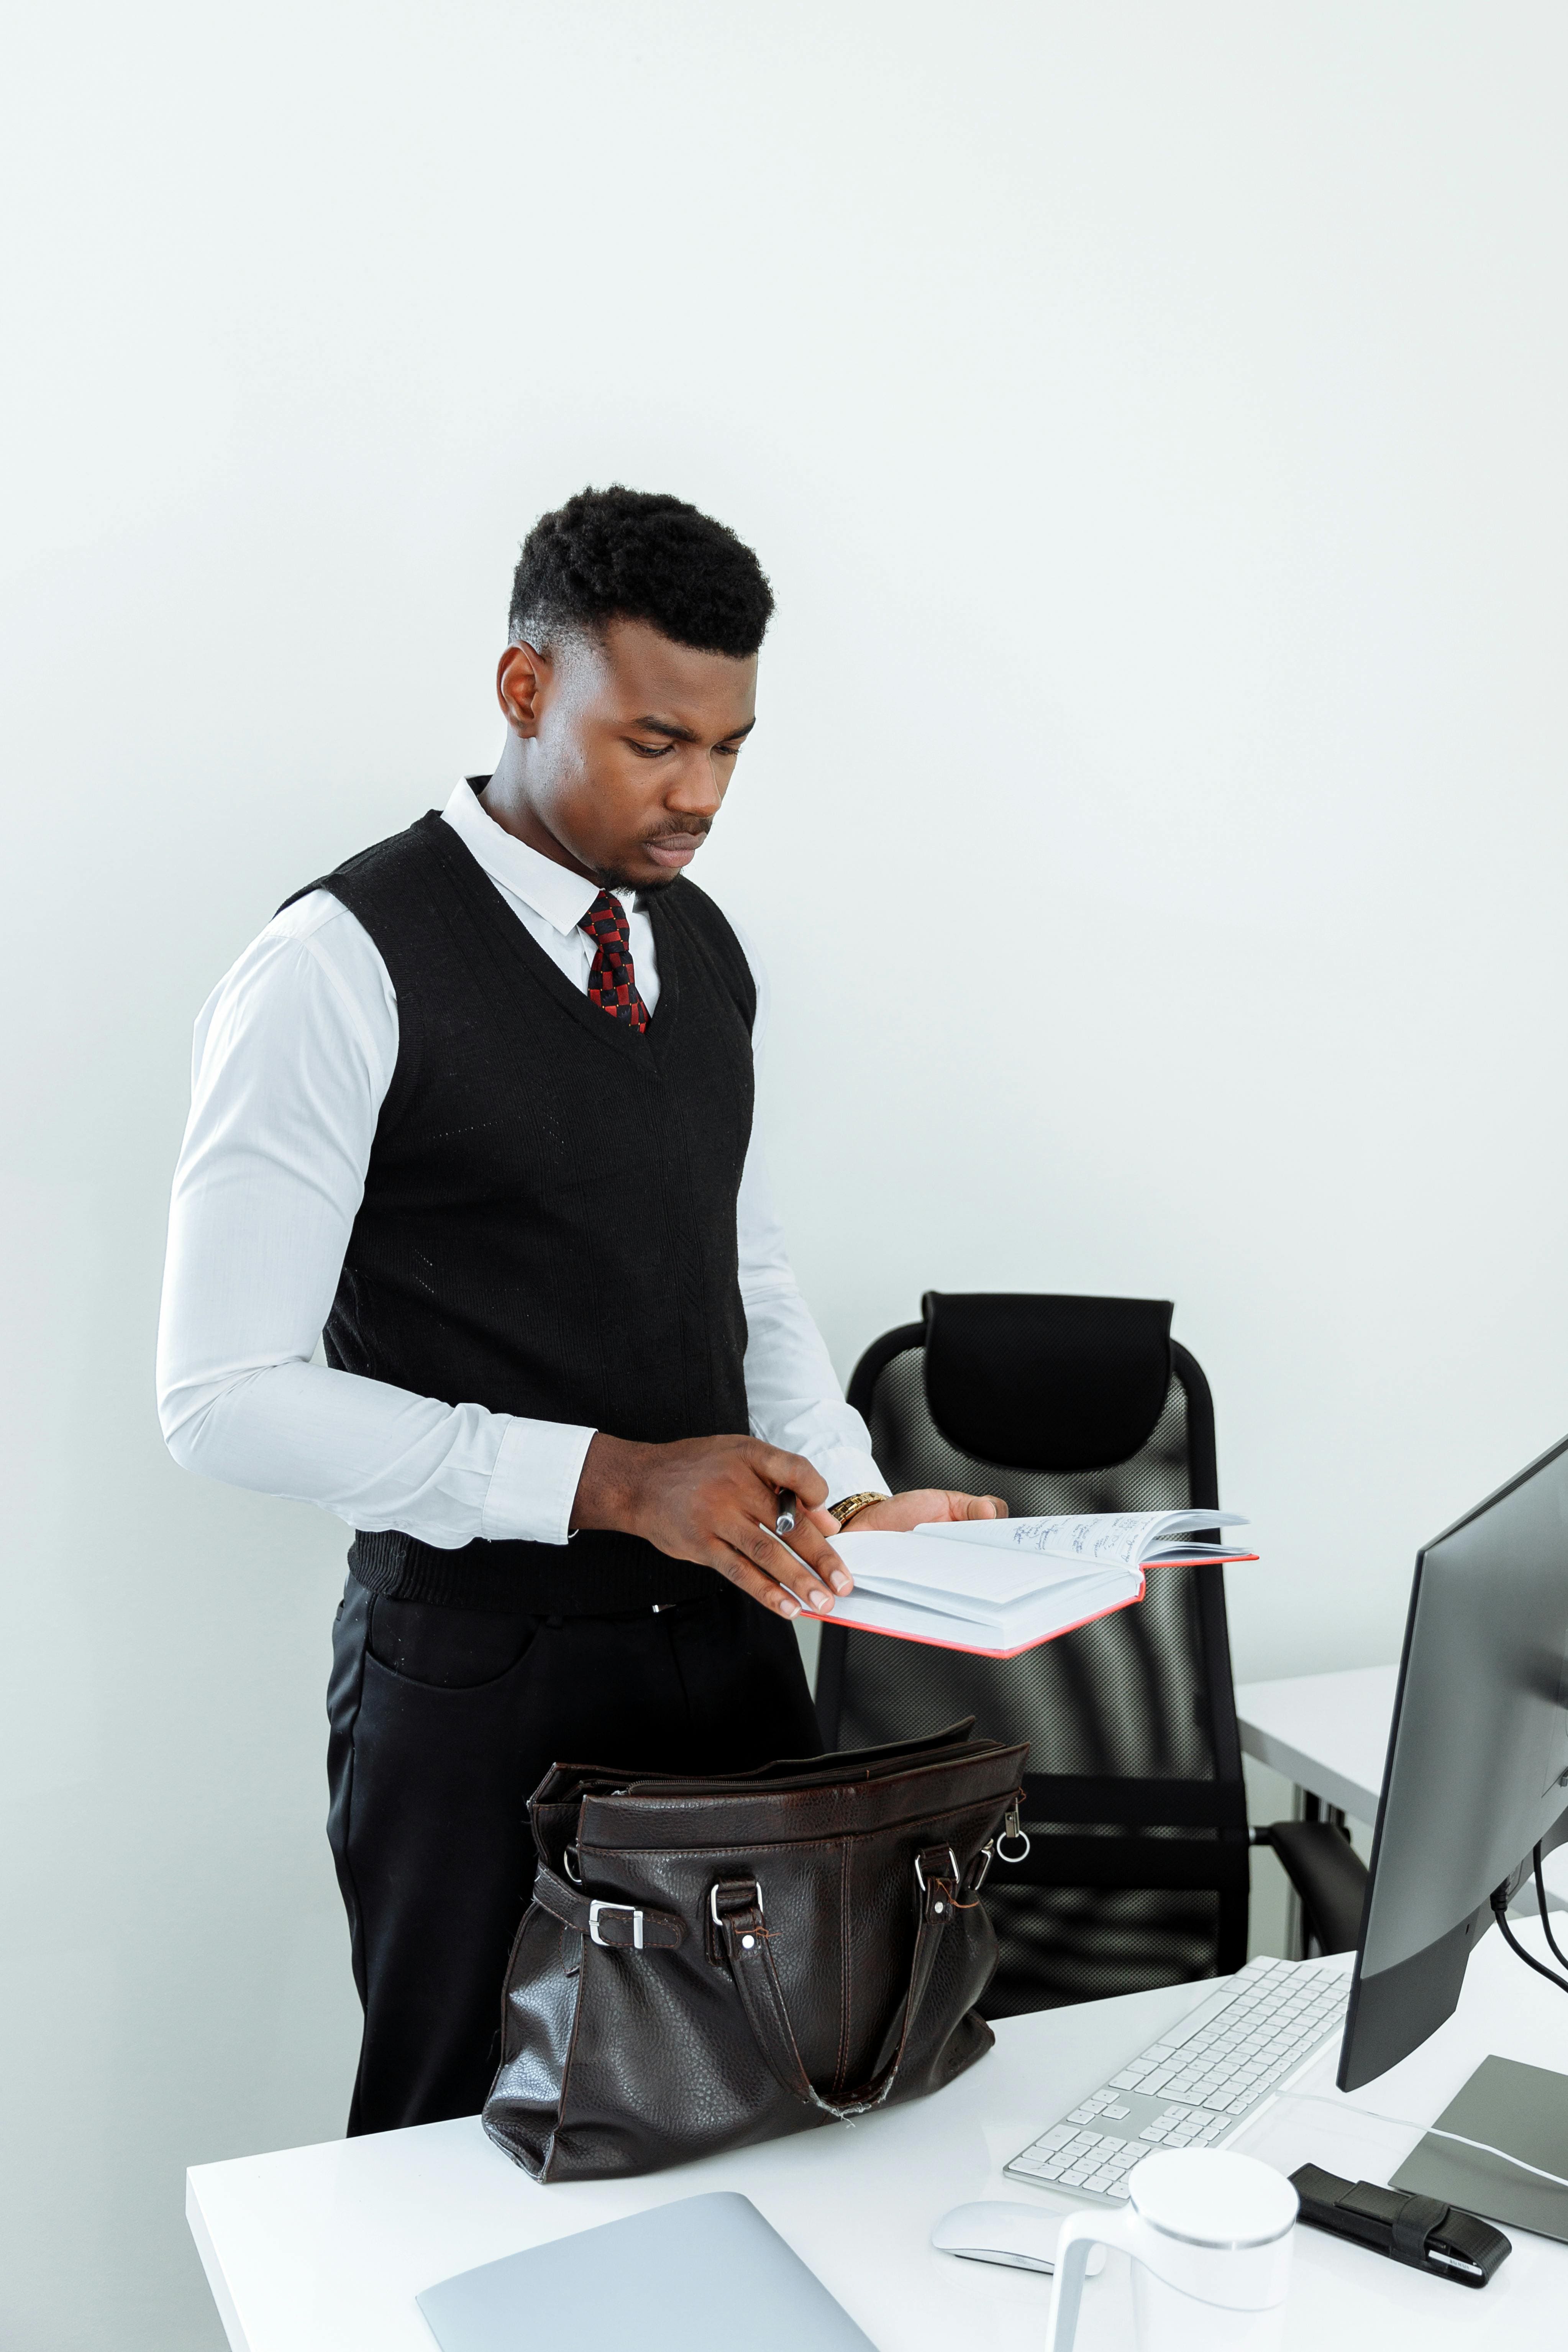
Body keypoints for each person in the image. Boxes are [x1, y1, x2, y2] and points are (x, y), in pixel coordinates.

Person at [157, 486, 1003, 2134]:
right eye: (657, 740)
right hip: (483, 1689)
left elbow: (742, 1275)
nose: (699, 796)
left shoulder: (701, 950)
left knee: (762, 2118)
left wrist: (846, 1498)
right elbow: (221, 1389)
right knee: (454, 2148)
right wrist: (615, 1478)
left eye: (732, 750)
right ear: (526, 688)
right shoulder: (338, 961)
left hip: (735, 1662)